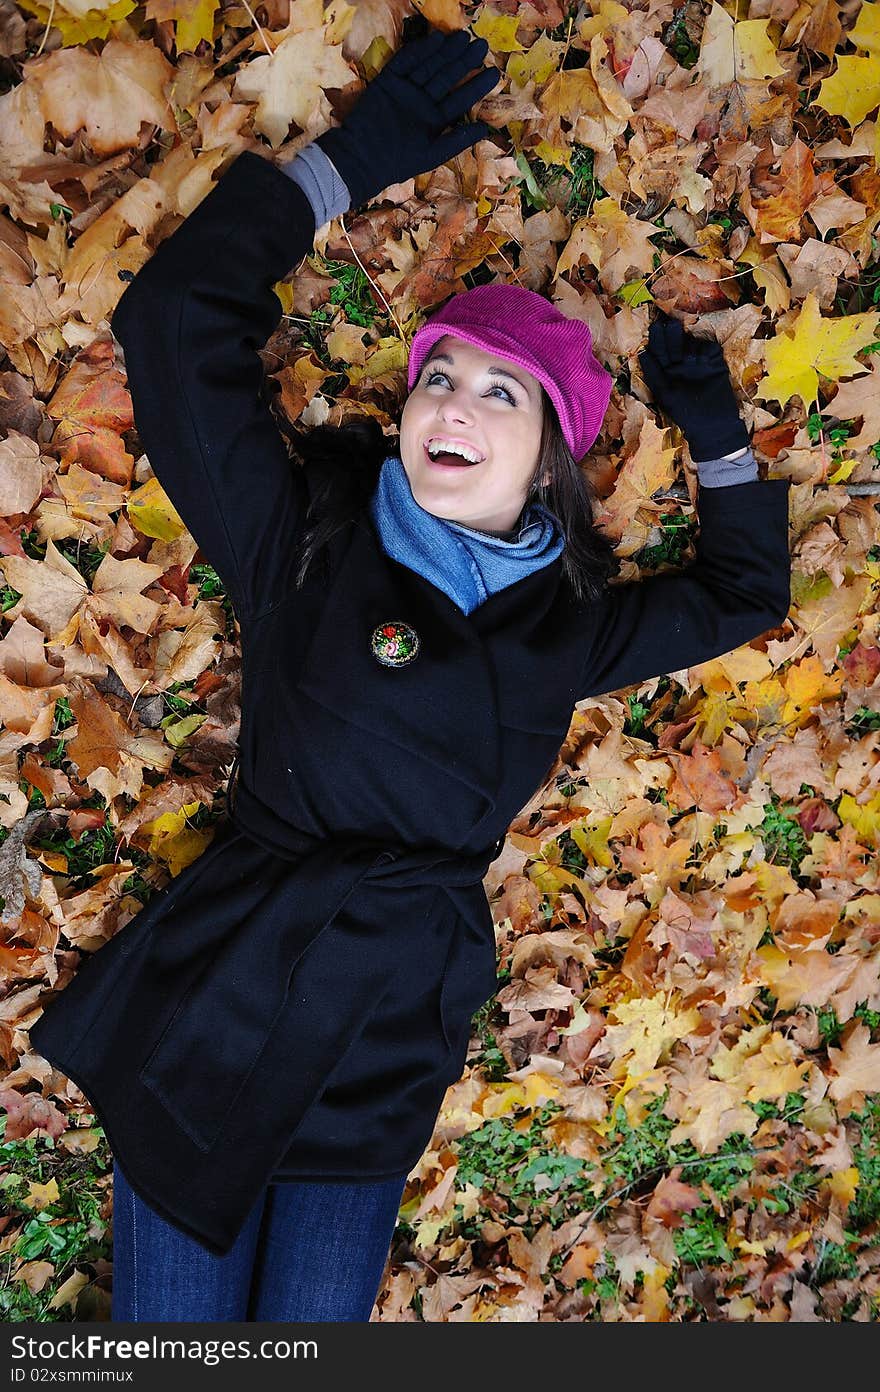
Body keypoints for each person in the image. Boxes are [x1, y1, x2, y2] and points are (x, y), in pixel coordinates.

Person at [28, 24, 791, 1323]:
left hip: (391, 1024)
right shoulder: (305, 537)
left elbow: (743, 593)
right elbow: (174, 320)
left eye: (503, 394)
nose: (453, 406)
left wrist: (714, 437)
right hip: (233, 984)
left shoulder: (567, 625)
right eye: (441, 377)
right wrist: (350, 159)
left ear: (551, 454)